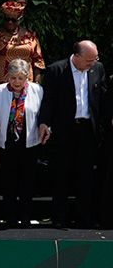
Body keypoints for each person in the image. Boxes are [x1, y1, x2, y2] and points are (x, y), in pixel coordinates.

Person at [41, 40, 103, 228]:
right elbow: (48, 100)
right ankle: (59, 218)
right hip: (64, 130)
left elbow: (102, 96)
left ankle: (84, 217)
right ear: (76, 57)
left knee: (86, 176)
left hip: (87, 130)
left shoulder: (98, 69)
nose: (93, 63)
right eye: (89, 60)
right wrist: (44, 122)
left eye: (95, 59)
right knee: (61, 175)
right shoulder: (56, 70)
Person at [0, 59, 46, 227]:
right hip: (6, 142)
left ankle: (26, 217)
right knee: (8, 181)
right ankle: (10, 217)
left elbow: (43, 114)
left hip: (29, 142)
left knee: (27, 182)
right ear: (8, 77)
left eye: (21, 78)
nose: (17, 82)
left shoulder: (37, 90)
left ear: (27, 77)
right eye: (13, 78)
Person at [0, 0, 44, 80]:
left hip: (26, 84)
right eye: (7, 19)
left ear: (20, 19)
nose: (10, 22)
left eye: (13, 20)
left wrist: (36, 84)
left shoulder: (30, 36)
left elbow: (37, 62)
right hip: (1, 83)